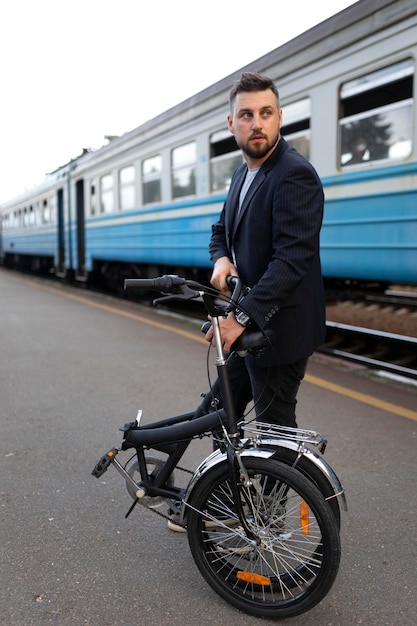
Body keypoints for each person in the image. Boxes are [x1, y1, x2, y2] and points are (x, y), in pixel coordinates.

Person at [206, 71, 326, 429]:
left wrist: (238, 318)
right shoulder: (242, 174)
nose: (257, 124)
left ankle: (272, 487)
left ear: (279, 117)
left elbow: (291, 260)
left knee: (274, 433)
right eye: (246, 115)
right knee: (220, 413)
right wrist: (222, 259)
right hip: (251, 323)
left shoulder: (293, 174)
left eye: (266, 113)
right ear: (232, 123)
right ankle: (230, 484)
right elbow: (220, 231)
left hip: (279, 332)